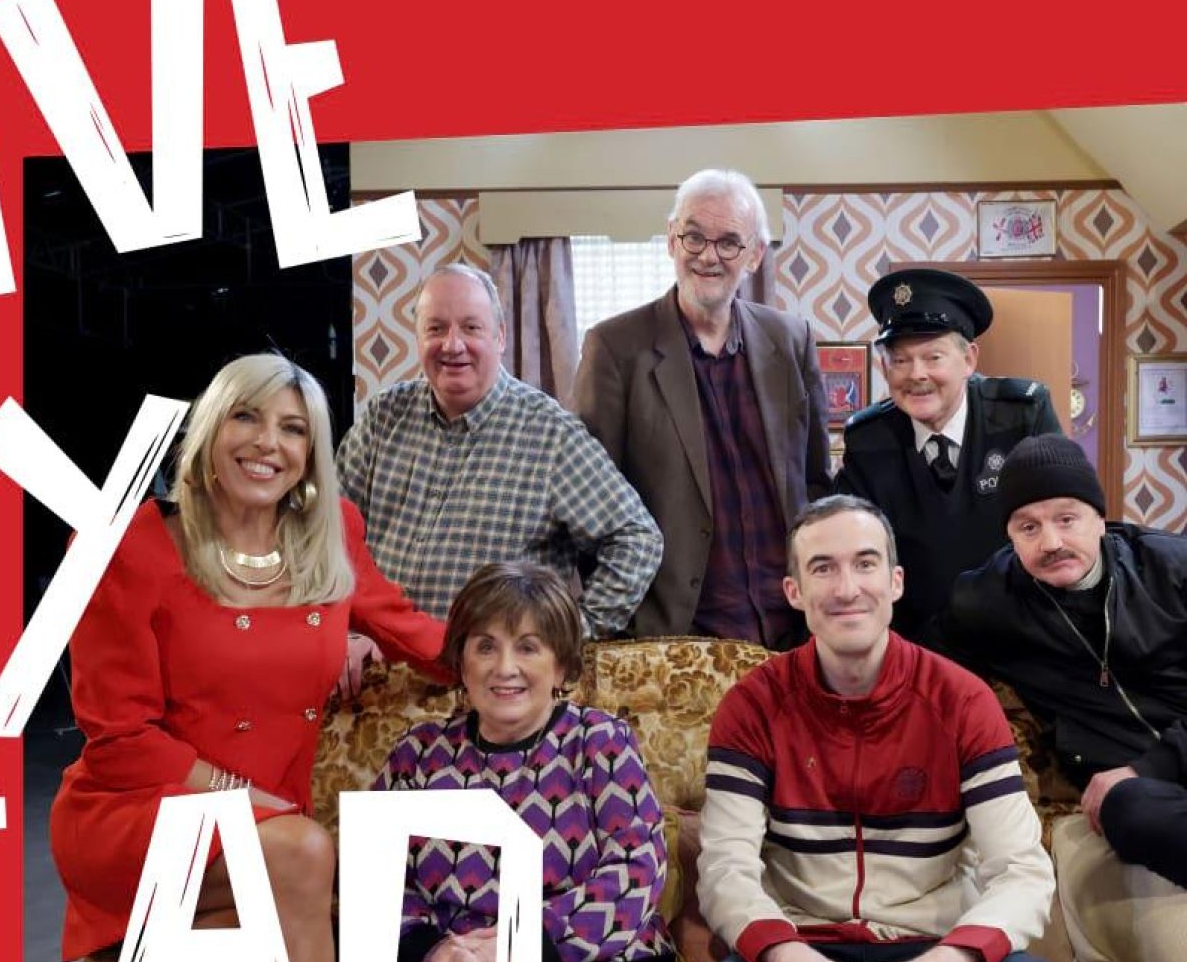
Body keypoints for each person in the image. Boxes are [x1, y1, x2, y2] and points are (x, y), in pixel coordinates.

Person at [51, 354, 451, 962]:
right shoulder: (123, 546)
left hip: (260, 827)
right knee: (302, 853)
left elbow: (414, 634)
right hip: (142, 812)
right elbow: (120, 739)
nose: (269, 442)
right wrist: (246, 796)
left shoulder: (332, 537)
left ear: (310, 455)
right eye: (246, 417)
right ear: (210, 430)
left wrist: (522, 653)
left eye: (293, 429)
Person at [698, 495, 1058, 962]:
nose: (848, 589)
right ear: (794, 592)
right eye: (823, 569)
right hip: (802, 944)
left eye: (865, 564)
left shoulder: (962, 700)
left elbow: (1021, 869)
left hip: (935, 944)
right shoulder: (753, 705)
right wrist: (796, 961)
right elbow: (724, 869)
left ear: (896, 582)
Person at [374, 562, 677, 962]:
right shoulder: (418, 754)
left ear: (560, 666)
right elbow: (375, 875)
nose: (505, 668)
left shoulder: (600, 741)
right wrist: (428, 954)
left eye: (528, 647)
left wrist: (524, 947)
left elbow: (636, 871)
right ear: (461, 663)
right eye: (485, 647)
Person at [942, 435, 1187, 962]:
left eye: (1067, 519)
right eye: (1028, 527)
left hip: (1165, 764)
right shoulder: (985, 602)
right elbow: (924, 675)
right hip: (1144, 804)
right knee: (1128, 808)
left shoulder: (1170, 569)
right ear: (1008, 534)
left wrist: (1153, 764)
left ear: (1100, 519)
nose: (1051, 541)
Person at [571, 167, 831, 643]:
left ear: (753, 256)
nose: (708, 256)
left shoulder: (791, 339)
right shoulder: (615, 347)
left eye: (729, 242)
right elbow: (590, 507)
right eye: (694, 237)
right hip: (677, 634)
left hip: (795, 627)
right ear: (672, 240)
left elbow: (814, 482)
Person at [336, 263, 661, 636]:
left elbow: (637, 539)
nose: (452, 345)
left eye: (471, 328)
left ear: (500, 336)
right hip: (378, 666)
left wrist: (569, 635)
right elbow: (329, 536)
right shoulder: (382, 418)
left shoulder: (550, 435)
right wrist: (346, 632)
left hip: (491, 680)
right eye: (436, 328)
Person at [836, 267, 1062, 643]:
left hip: (1018, 637)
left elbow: (1060, 524)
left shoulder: (1021, 414)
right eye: (901, 360)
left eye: (933, 357)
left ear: (969, 359)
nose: (916, 374)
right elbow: (850, 540)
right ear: (883, 366)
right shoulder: (868, 438)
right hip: (913, 643)